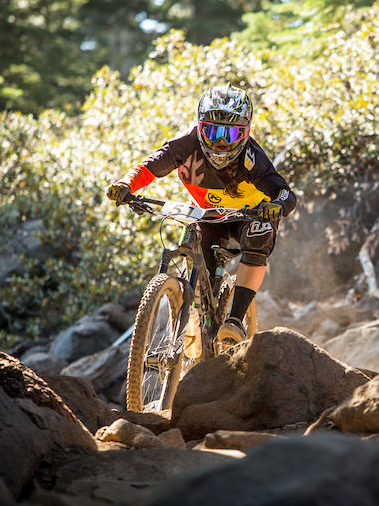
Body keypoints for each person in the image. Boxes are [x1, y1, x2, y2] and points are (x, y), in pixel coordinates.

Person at [106, 84, 296, 346]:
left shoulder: (252, 157)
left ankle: (235, 320)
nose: (220, 142)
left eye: (230, 134)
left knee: (259, 233)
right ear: (199, 127)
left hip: (249, 216)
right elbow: (150, 166)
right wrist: (126, 184)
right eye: (213, 131)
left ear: (246, 133)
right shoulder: (185, 144)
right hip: (209, 216)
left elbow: (285, 193)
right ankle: (194, 318)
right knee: (194, 240)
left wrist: (276, 206)